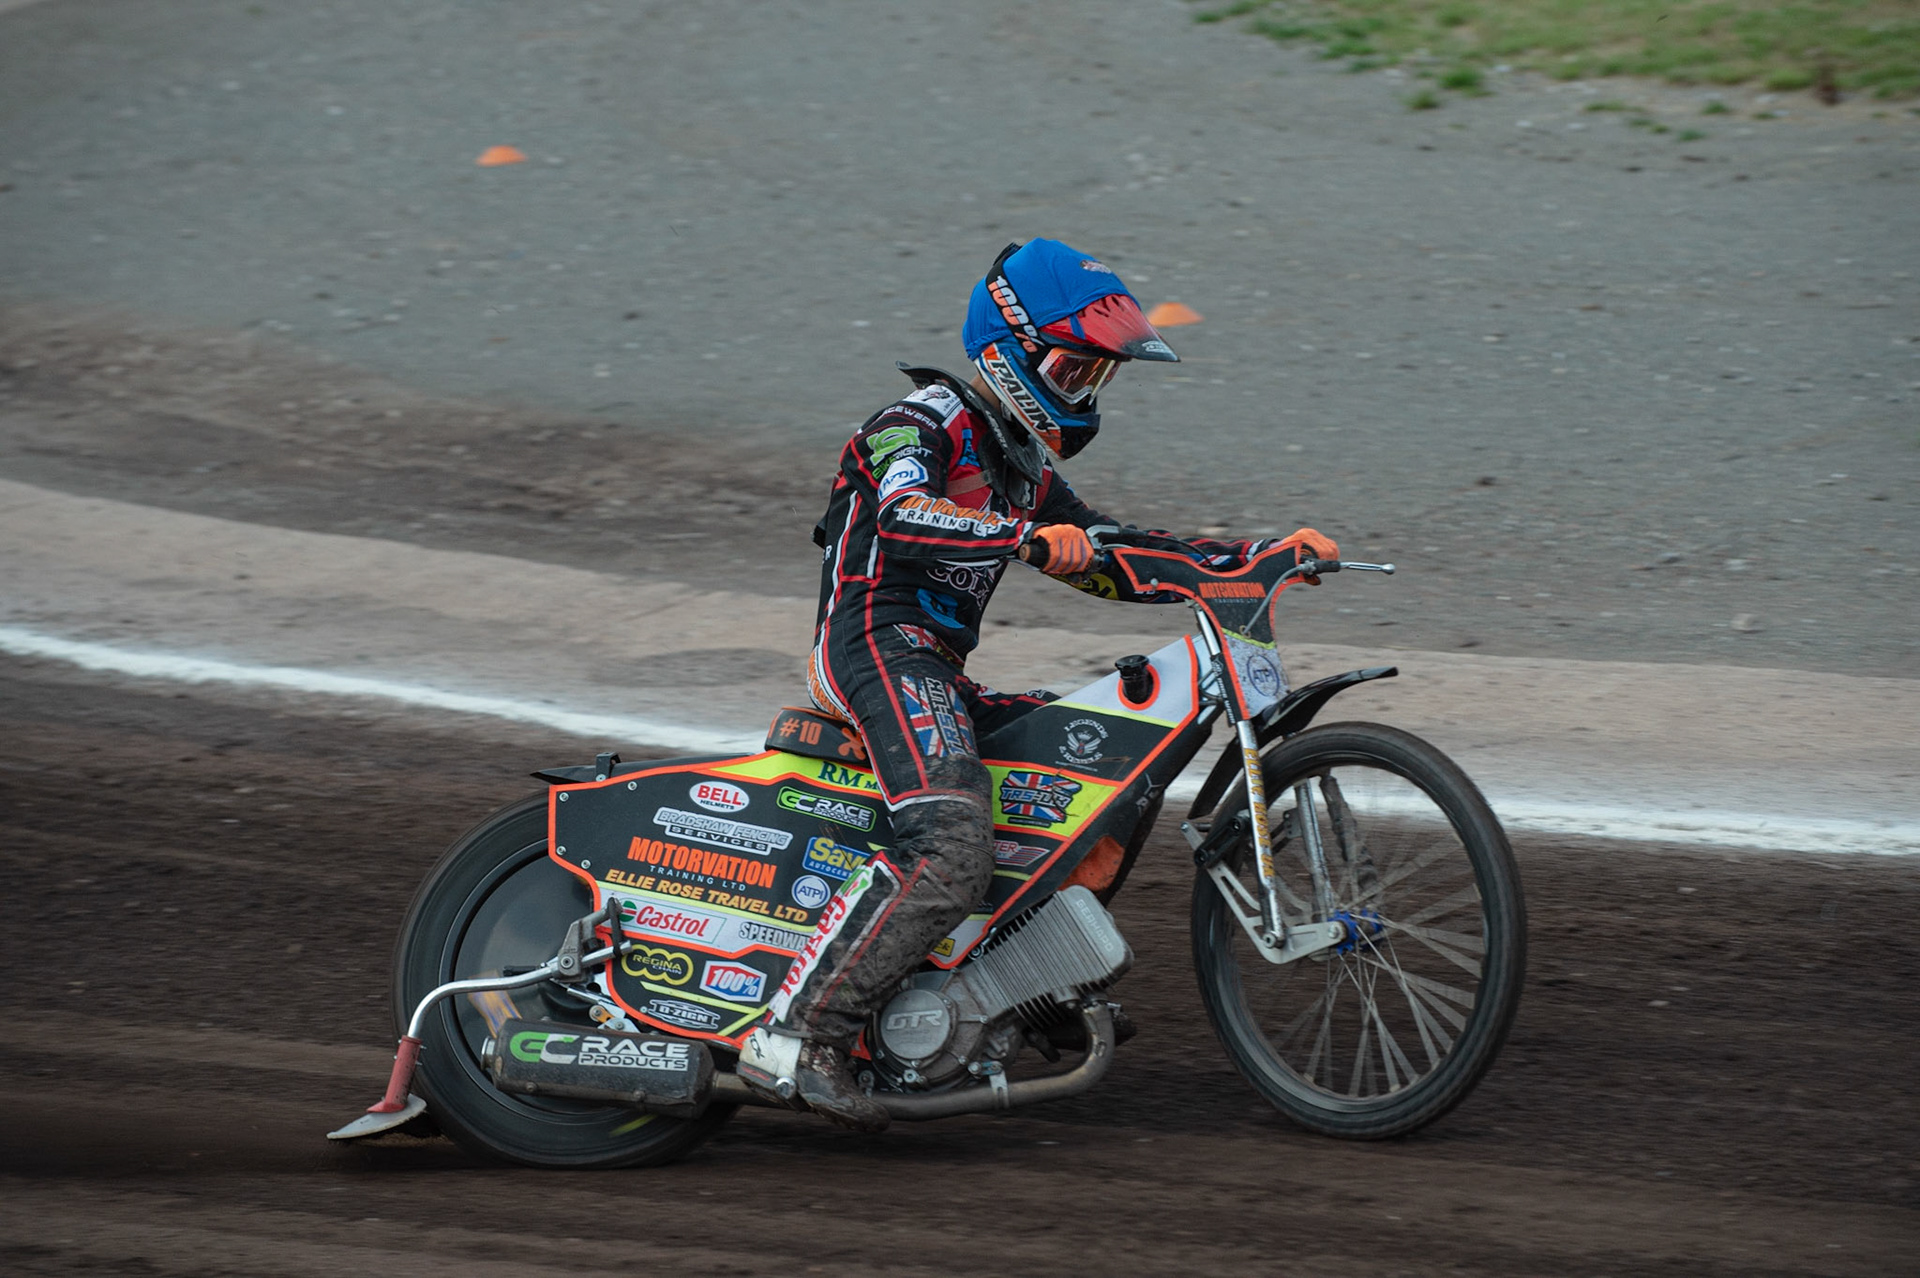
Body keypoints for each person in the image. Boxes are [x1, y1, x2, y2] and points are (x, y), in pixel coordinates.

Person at [739, 239, 1336, 1129]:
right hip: (873, 646)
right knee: (950, 840)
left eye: (1098, 375)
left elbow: (1110, 557)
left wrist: (1247, 561)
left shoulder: (1020, 464)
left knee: (1116, 777)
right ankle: (803, 1031)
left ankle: (1010, 979)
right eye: (1070, 366)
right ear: (1005, 349)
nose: (1083, 389)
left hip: (936, 669)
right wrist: (1017, 539)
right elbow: (903, 515)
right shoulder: (916, 423)